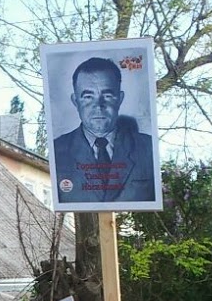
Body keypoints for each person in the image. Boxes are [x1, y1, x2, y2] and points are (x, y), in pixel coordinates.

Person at [51, 56, 157, 204]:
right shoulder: (57, 151)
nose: (98, 105)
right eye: (88, 97)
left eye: (107, 95)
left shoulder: (147, 148)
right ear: (75, 101)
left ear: (120, 99)